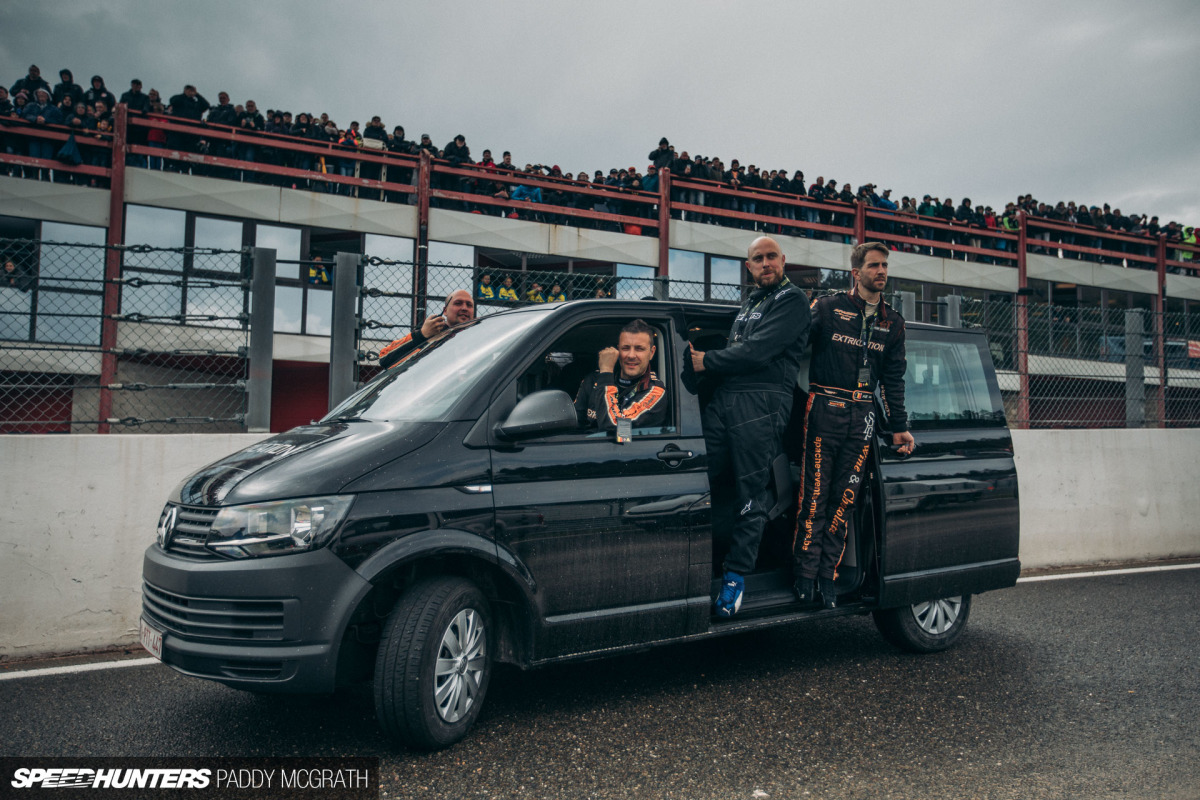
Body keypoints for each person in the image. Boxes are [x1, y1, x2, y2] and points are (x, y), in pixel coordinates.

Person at [688, 235, 811, 617]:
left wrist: (705, 361)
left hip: (762, 401)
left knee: (749, 492)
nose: (765, 263)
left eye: (771, 256)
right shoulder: (750, 303)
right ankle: (692, 563)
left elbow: (757, 351)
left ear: (783, 260)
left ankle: (736, 577)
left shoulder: (792, 300)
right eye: (758, 258)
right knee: (696, 480)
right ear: (749, 267)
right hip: (727, 399)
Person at [793, 242, 914, 610]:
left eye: (885, 266)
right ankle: (804, 575)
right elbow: (793, 345)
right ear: (856, 272)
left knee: (844, 500)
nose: (881, 272)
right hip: (823, 408)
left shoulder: (892, 322)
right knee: (814, 497)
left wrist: (899, 426)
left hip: (863, 415)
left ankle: (828, 577)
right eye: (874, 265)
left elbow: (893, 381)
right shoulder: (828, 307)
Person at [574, 318, 668, 432]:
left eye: (639, 349)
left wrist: (607, 370)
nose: (631, 355)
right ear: (618, 350)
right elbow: (574, 425)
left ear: (651, 353)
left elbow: (617, 430)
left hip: (626, 448)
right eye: (626, 348)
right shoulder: (593, 379)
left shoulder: (655, 391)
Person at [378, 289, 476, 369]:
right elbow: (385, 359)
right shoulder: (430, 336)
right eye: (458, 303)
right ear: (445, 311)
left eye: (469, 305)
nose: (464, 308)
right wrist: (422, 335)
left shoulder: (480, 336)